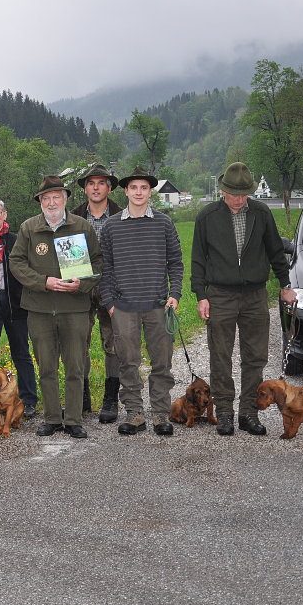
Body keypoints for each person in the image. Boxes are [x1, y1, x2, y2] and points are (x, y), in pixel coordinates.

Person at [191, 162, 296, 436]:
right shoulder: (207, 217)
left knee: (255, 357)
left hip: (255, 296)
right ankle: (224, 412)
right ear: (223, 190)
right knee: (220, 356)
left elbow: (275, 251)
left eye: (243, 194)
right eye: (233, 193)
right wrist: (201, 295)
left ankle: (248, 412)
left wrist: (285, 284)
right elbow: (198, 260)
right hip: (220, 295)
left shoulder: (261, 213)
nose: (239, 199)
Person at [10, 176, 102, 439]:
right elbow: (16, 263)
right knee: (46, 366)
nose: (51, 202)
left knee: (75, 365)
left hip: (74, 308)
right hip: (39, 309)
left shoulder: (81, 226)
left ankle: (73, 419)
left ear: (65, 199)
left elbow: (98, 262)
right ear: (40, 202)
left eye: (56, 197)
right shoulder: (29, 228)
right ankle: (51, 417)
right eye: (46, 198)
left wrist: (81, 283)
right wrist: (43, 282)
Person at [99, 167, 183, 436]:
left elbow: (176, 262)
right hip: (123, 307)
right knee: (128, 362)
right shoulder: (112, 226)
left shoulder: (163, 223)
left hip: (158, 304)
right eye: (133, 187)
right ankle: (134, 413)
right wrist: (110, 302)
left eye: (144, 188)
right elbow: (106, 268)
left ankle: (160, 414)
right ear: (125, 191)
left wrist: (175, 293)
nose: (138, 192)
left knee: (162, 362)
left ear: (150, 192)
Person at [72, 163, 123, 422]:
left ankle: (111, 399)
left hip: (111, 287)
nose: (95, 187)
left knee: (112, 344)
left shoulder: (121, 215)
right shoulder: (74, 217)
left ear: (109, 187)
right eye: (91, 183)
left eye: (101, 183)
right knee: (78, 342)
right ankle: (80, 399)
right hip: (80, 288)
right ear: (84, 189)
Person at [0, 198, 39, 418]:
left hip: (14, 301)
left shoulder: (16, 240)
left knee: (21, 352)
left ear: (5, 214)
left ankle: (28, 399)